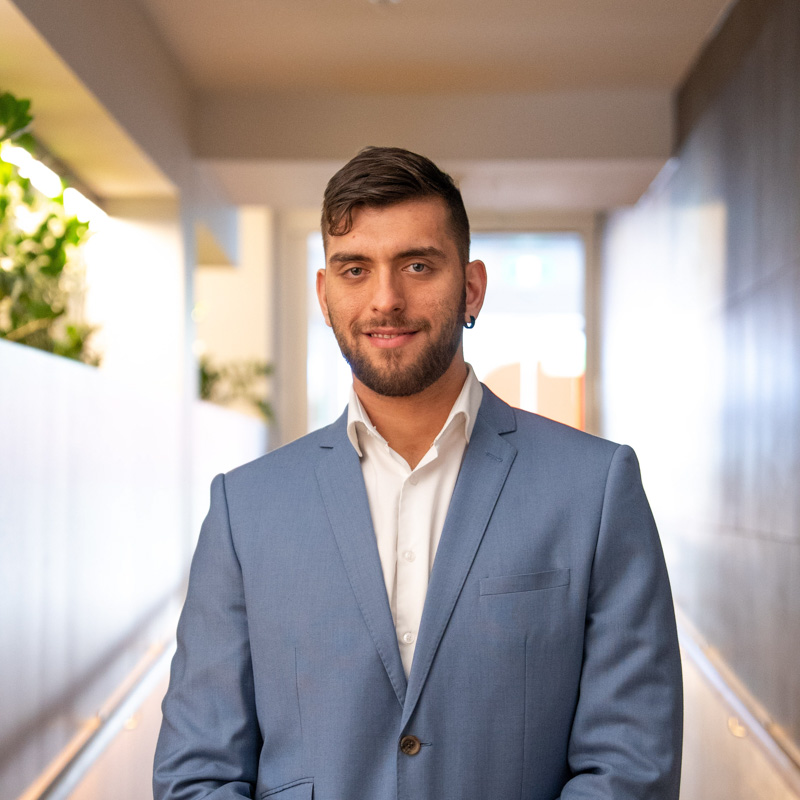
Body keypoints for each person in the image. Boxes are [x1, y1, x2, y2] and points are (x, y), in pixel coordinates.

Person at [153, 146, 683, 800]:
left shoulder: (595, 489)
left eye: (417, 264)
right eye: (355, 269)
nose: (386, 299)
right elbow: (198, 770)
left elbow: (631, 767)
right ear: (325, 295)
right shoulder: (245, 510)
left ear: (472, 287)